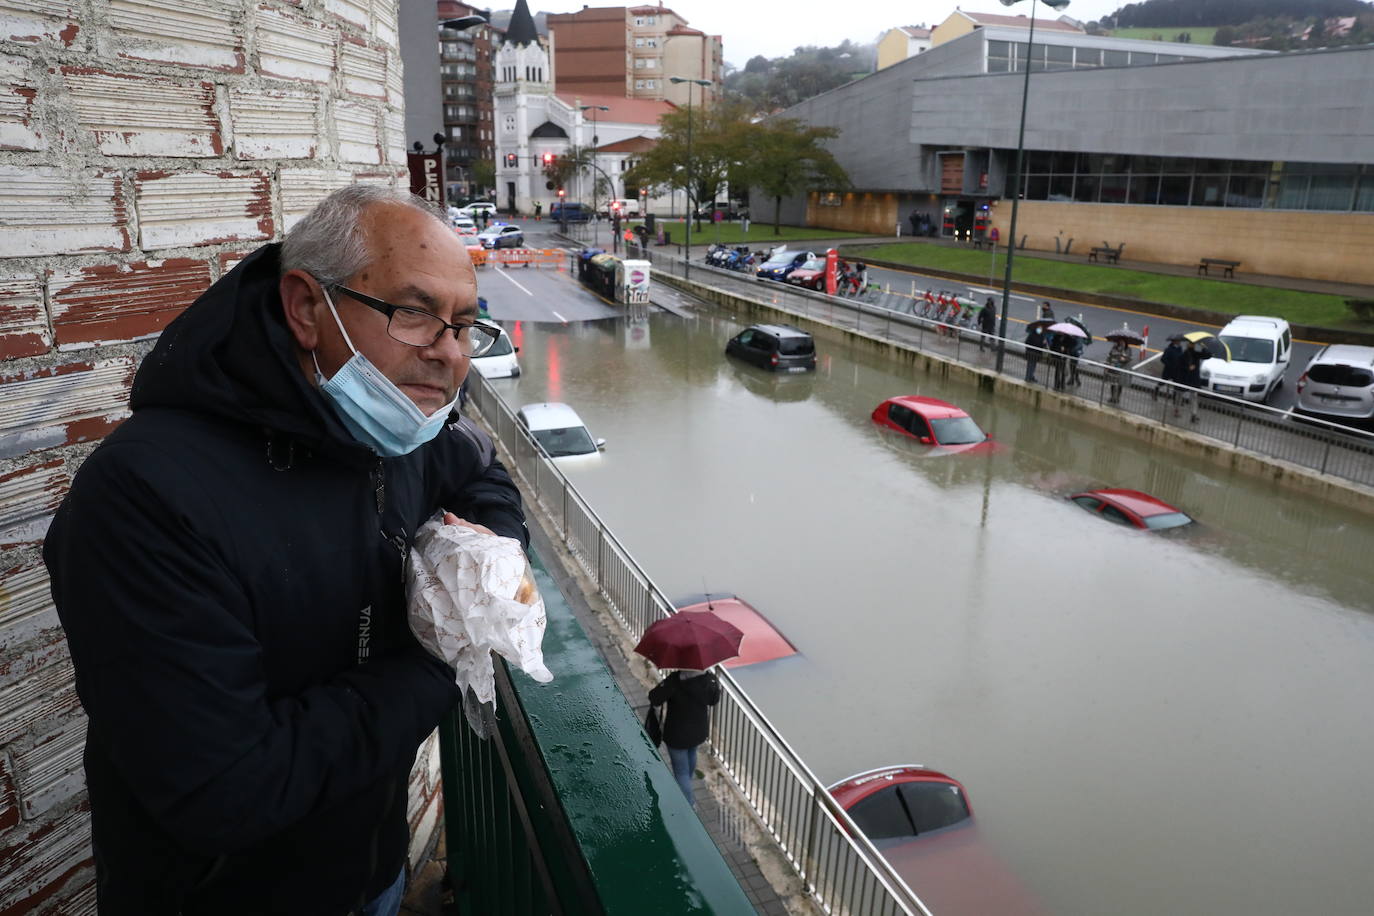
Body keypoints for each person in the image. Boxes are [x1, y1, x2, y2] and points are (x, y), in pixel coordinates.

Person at [43, 186, 527, 916]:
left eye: (464, 324)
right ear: (306, 308)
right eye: (415, 313)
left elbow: (483, 472)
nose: (451, 355)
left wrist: (489, 562)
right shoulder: (148, 493)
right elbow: (226, 791)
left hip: (375, 871)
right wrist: (448, 652)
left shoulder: (399, 424)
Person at [647, 668, 721, 808]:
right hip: (698, 732)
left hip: (677, 734)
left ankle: (689, 804)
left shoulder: (675, 680)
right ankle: (686, 784)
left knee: (681, 772)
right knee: (691, 754)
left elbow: (654, 697)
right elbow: (714, 699)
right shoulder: (706, 680)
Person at [1178, 337, 1205, 422]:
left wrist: (1204, 347)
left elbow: (1207, 355)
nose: (1192, 345)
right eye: (1190, 343)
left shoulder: (1196, 354)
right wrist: (1188, 368)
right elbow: (1179, 366)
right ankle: (1177, 409)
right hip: (1185, 379)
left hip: (1193, 380)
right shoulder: (1184, 355)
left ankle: (1193, 414)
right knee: (1180, 395)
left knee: (1194, 398)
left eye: (1193, 344)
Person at [1105, 339, 1132, 404]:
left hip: (1122, 369)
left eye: (1123, 341)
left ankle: (1117, 397)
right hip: (1114, 368)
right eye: (1120, 341)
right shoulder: (1114, 347)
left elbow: (1129, 358)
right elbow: (1110, 355)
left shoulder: (1128, 349)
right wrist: (1107, 365)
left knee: (1120, 384)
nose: (1121, 342)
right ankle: (1112, 397)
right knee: (1113, 383)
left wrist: (1124, 357)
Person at [1157, 337, 1183, 401]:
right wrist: (1170, 365)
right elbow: (1163, 359)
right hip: (1168, 370)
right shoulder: (1169, 349)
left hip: (1176, 371)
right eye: (1178, 341)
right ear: (1174, 342)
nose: (1179, 342)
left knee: (1176, 385)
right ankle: (1155, 392)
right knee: (1162, 382)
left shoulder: (1180, 349)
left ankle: (1174, 399)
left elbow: (1181, 358)